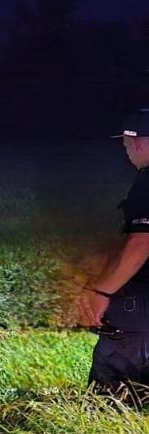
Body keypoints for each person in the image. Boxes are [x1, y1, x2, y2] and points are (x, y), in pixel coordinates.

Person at [78, 108, 149, 406]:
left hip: (141, 306)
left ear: (138, 143)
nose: (127, 153)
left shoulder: (147, 180)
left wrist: (100, 290)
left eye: (125, 145)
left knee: (113, 395)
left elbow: (142, 242)